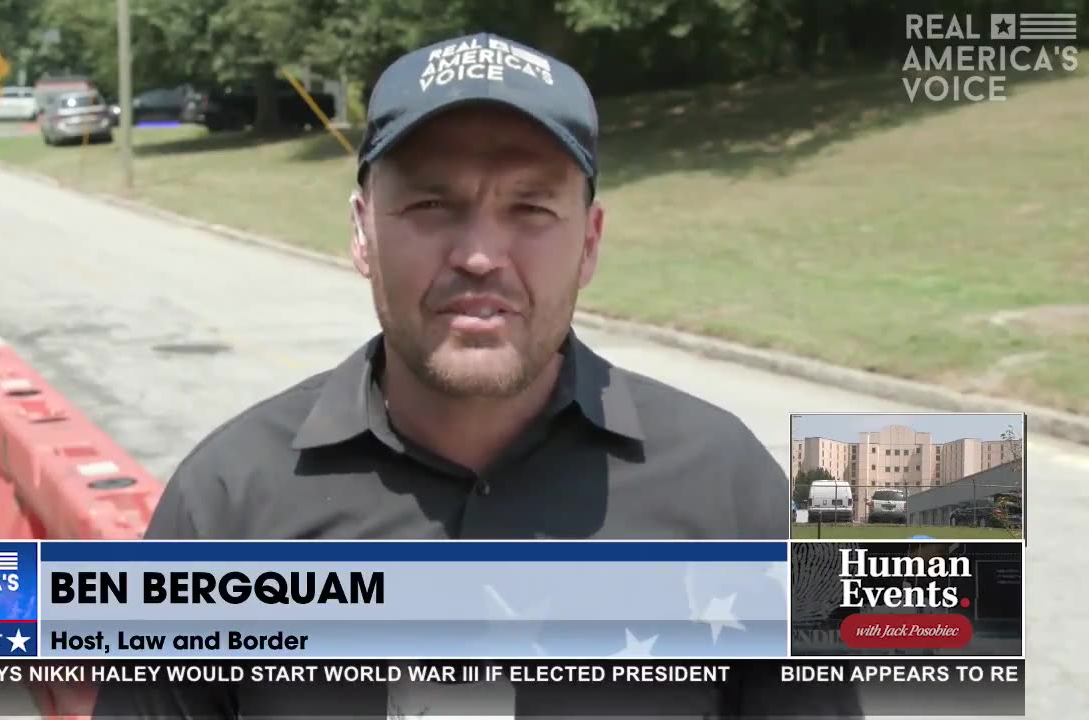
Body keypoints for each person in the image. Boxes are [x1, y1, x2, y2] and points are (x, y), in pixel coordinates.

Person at [94, 31, 863, 719]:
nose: (480, 255)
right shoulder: (226, 504)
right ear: (363, 231)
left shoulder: (736, 495)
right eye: (432, 203)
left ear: (590, 242)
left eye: (531, 209)